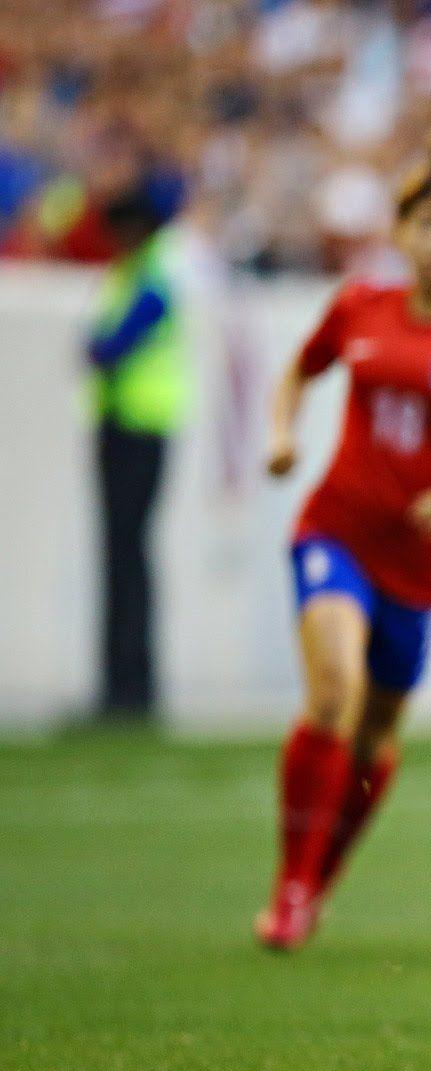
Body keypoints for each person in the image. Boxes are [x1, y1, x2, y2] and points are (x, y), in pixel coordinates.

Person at [256, 138, 431, 950]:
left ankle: (320, 876)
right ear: (401, 232)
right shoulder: (359, 309)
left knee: (377, 736)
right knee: (333, 689)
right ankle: (289, 886)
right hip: (335, 529)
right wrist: (281, 436)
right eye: (425, 224)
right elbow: (298, 371)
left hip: (421, 563)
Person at [86, 188, 187, 720]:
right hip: (125, 425)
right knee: (123, 556)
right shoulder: (136, 274)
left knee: (127, 556)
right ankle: (122, 682)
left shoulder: (152, 277)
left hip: (139, 428)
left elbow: (108, 347)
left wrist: (97, 349)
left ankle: (130, 686)